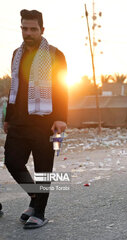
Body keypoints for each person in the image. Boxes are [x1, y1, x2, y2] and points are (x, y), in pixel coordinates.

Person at [4, 9, 67, 229]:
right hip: (19, 121)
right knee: (12, 161)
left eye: (33, 29)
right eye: (24, 28)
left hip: (46, 122)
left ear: (42, 30)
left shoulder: (55, 54)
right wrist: (8, 117)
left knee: (43, 169)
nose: (28, 33)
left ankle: (39, 212)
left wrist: (61, 117)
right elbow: (15, 87)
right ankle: (35, 198)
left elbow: (62, 87)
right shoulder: (16, 54)